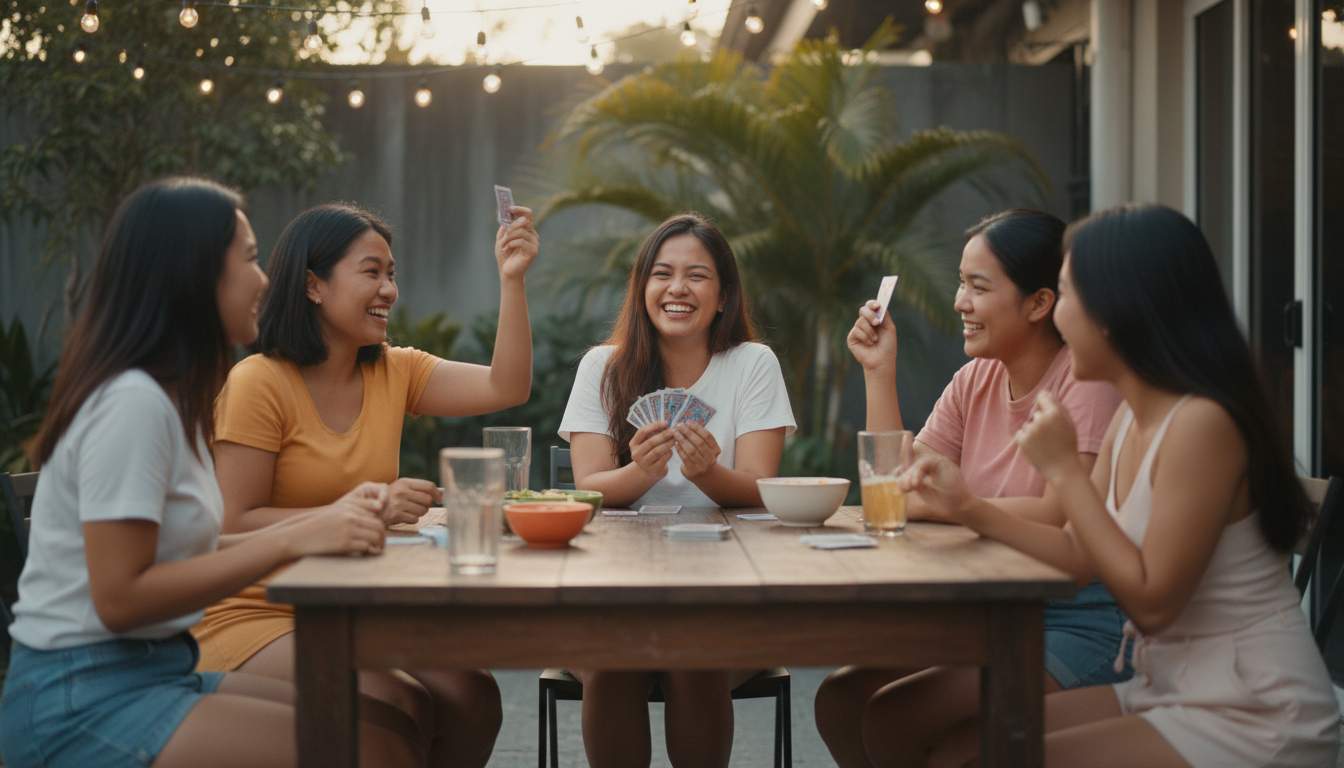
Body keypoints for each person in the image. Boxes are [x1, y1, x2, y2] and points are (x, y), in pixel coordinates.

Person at [901, 203, 1339, 765]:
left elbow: (1153, 604)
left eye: (1068, 296)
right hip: (1170, 686)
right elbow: (1080, 558)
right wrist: (967, 506)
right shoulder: (1135, 415)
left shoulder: (1202, 423)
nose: (1057, 316)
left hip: (1253, 712)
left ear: (1120, 310)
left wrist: (1062, 471)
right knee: (964, 749)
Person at [0, 177, 411, 768]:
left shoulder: (172, 398)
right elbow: (120, 597)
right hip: (80, 701)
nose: (266, 279)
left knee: (387, 728)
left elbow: (185, 548)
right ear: (192, 274)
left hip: (155, 669)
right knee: (370, 749)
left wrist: (322, 526)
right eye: (246, 258)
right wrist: (299, 535)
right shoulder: (133, 404)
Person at [192, 201, 539, 766]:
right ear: (313, 286)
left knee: (472, 696)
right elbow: (233, 522)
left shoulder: (392, 370)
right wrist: (369, 510)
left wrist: (513, 279)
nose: (389, 290)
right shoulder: (258, 383)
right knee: (394, 704)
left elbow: (507, 386)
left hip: (347, 605)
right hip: (255, 609)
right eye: (372, 271)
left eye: (392, 274)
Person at [816, 209, 1126, 766]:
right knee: (842, 699)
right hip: (985, 610)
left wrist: (963, 506)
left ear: (1039, 303)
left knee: (901, 719)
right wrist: (878, 372)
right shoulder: (976, 378)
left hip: (1076, 621)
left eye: (977, 287)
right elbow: (898, 488)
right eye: (961, 282)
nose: (959, 301)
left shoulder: (1085, 382)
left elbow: (1061, 515)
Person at [557, 213, 796, 767]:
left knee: (695, 653)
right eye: (662, 274)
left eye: (697, 276)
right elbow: (588, 489)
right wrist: (641, 472)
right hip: (612, 588)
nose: (677, 289)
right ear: (642, 288)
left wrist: (706, 473)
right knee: (614, 659)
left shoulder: (753, 363)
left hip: (727, 587)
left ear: (723, 295)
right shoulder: (604, 366)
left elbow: (763, 486)